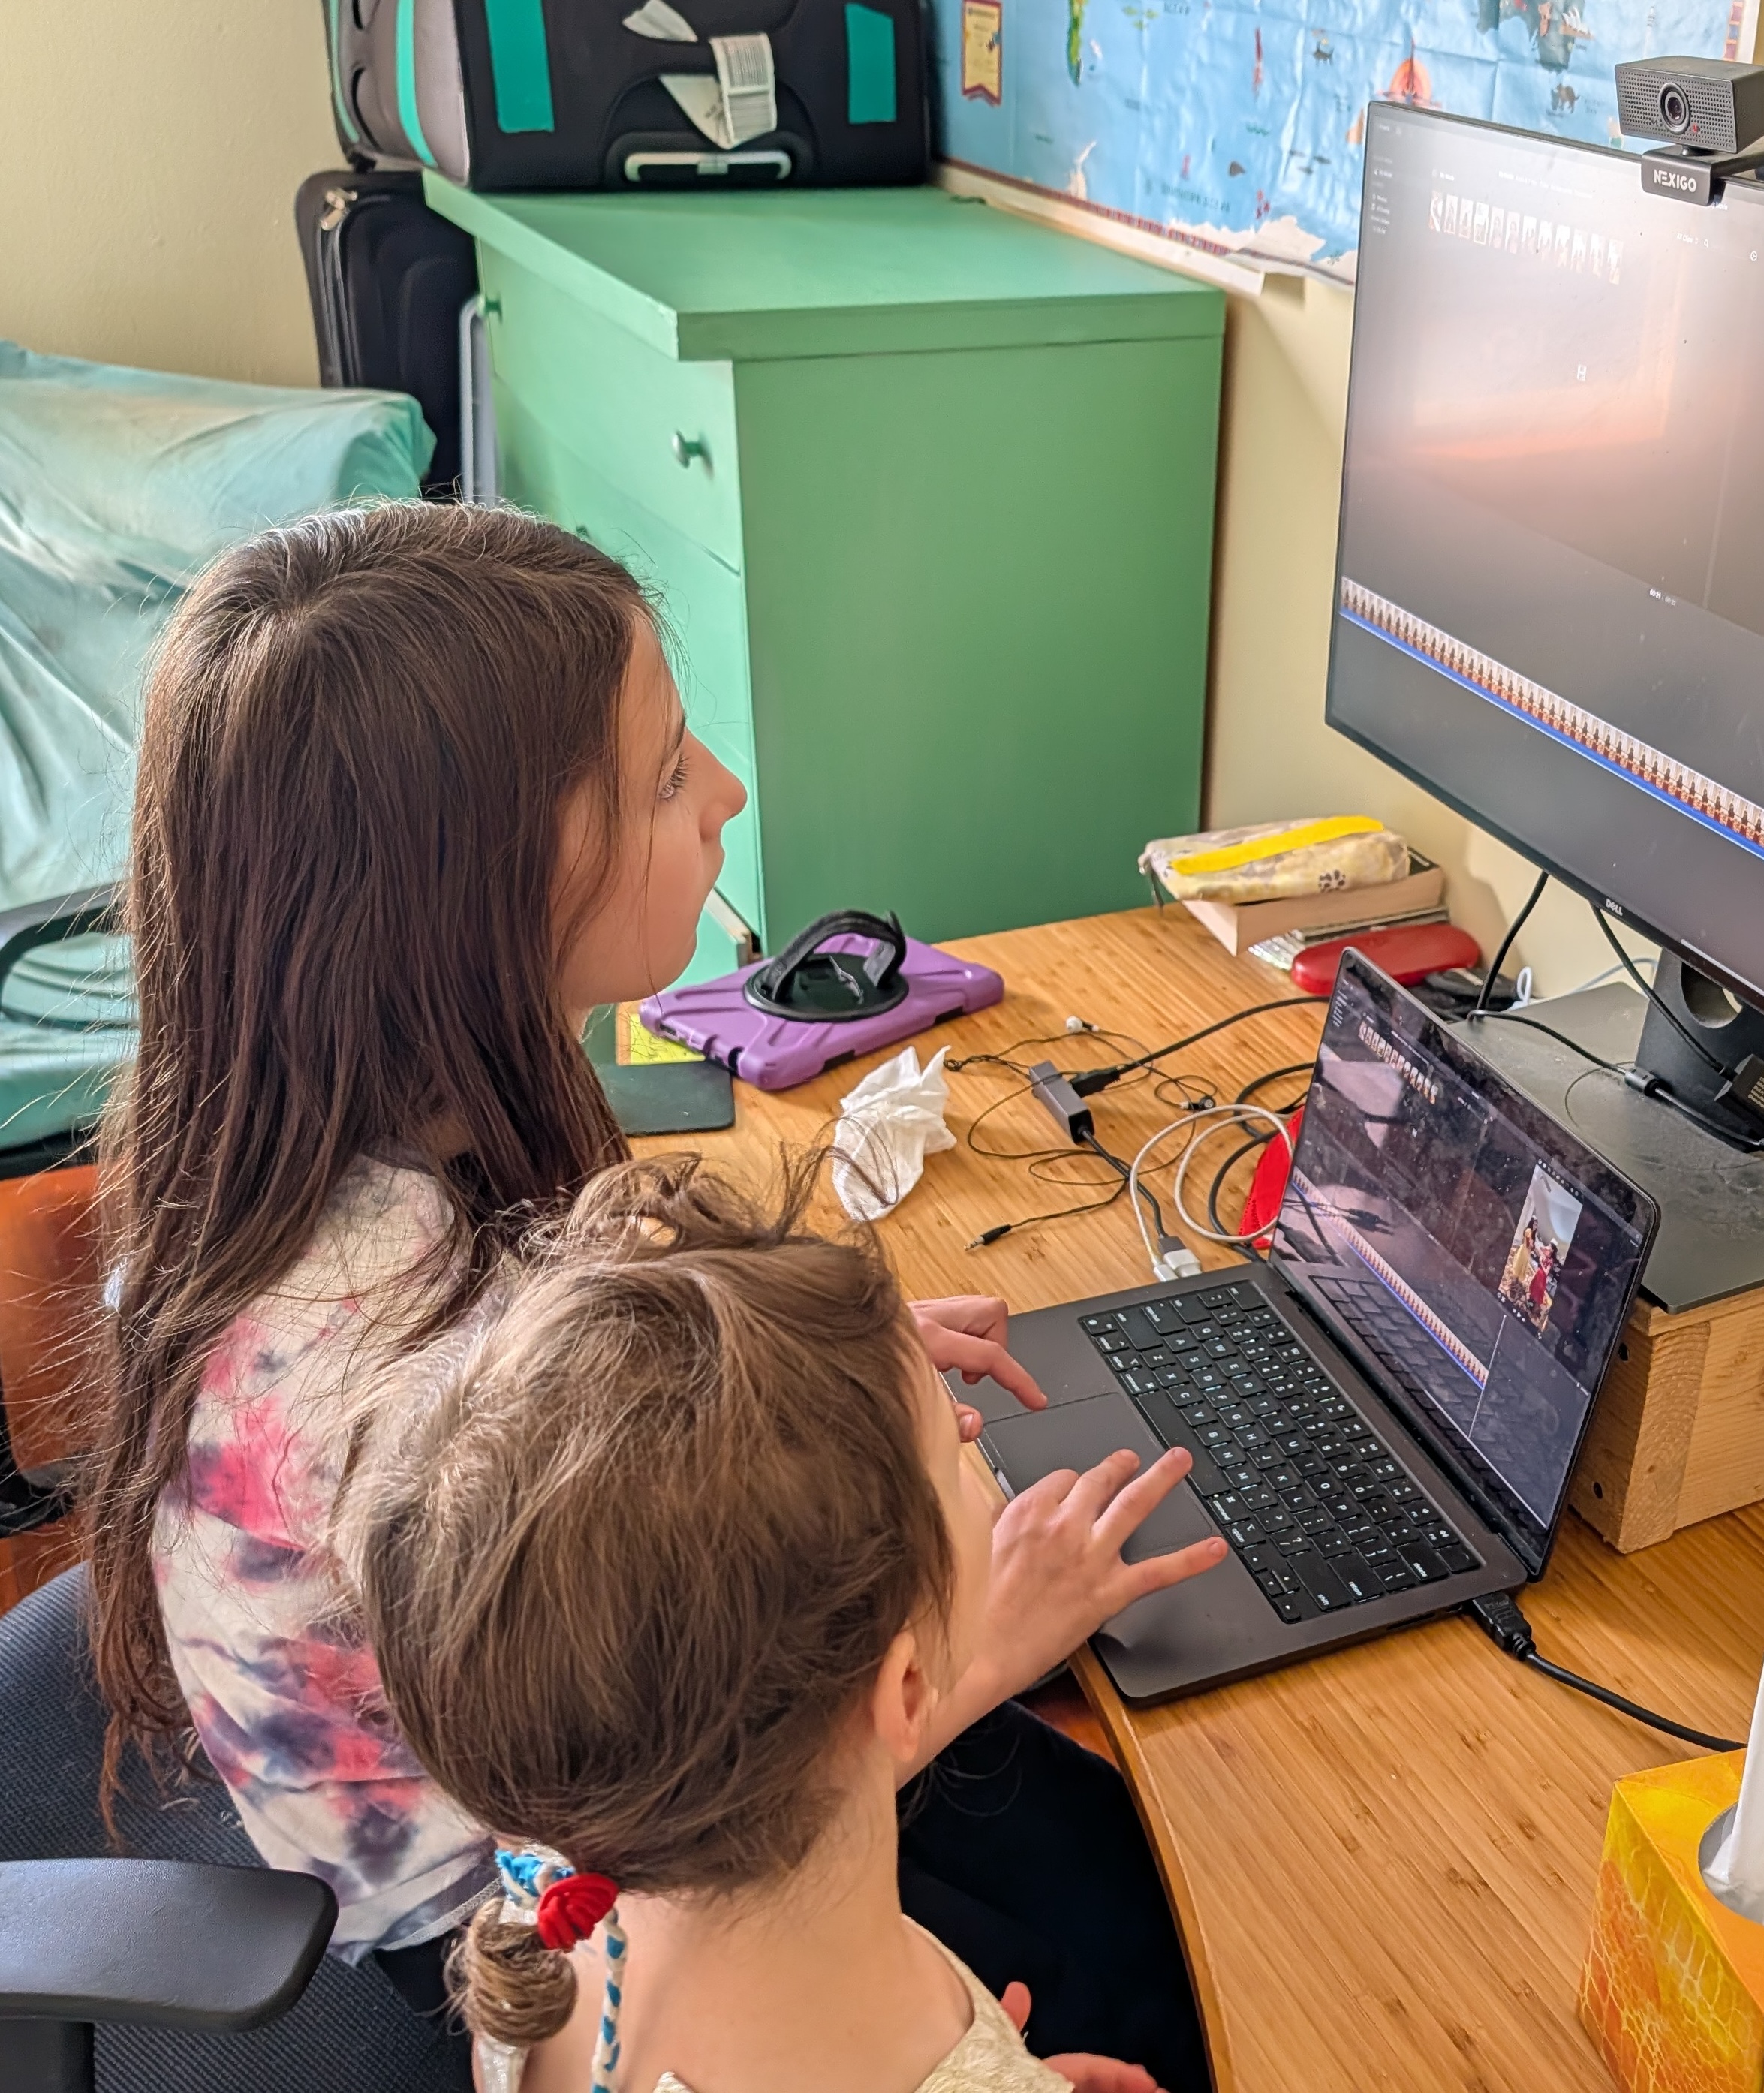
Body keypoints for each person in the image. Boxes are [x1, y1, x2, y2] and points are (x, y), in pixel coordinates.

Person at [81, 502, 1221, 2083]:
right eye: (669, 772)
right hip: (543, 1911)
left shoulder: (312, 1141)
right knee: (1132, 1944)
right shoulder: (379, 1366)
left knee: (1087, 1839)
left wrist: (797, 1365)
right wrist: (984, 1645)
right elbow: (692, 1782)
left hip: (585, 1754)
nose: (726, 793)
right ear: (485, 884)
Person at [348, 1155, 1166, 2093]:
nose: (980, 1480)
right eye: (953, 1462)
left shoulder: (546, 1916)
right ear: (905, 1692)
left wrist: (998, 2069)